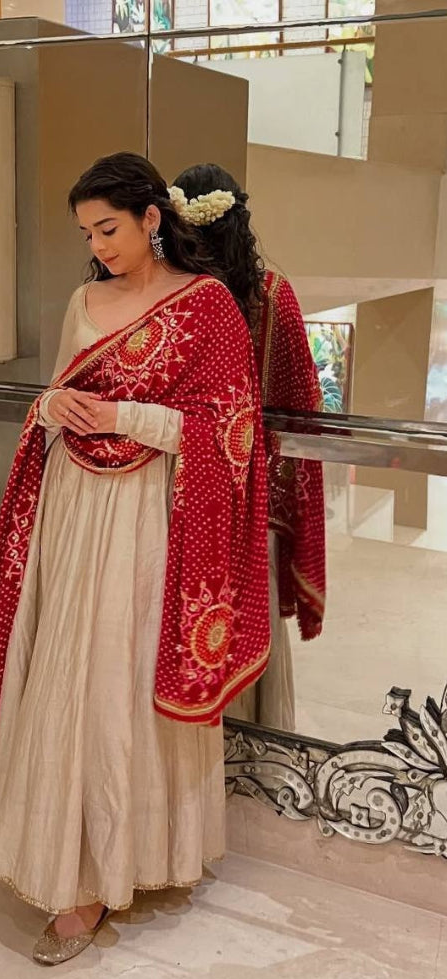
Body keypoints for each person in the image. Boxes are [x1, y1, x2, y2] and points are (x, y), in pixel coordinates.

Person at [0, 152, 270, 966]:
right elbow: (63, 396)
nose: (98, 245)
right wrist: (52, 404)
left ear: (151, 218)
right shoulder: (83, 300)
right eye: (87, 233)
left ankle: (115, 867)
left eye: (109, 227)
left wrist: (125, 414)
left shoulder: (207, 309)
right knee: (68, 671)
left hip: (149, 519)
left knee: (120, 676)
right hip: (73, 510)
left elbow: (230, 434)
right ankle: (61, 859)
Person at [171, 164, 326, 731]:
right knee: (241, 618)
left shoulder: (169, 291)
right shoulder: (272, 297)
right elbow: (301, 407)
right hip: (246, 491)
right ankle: (247, 748)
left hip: (171, 486)